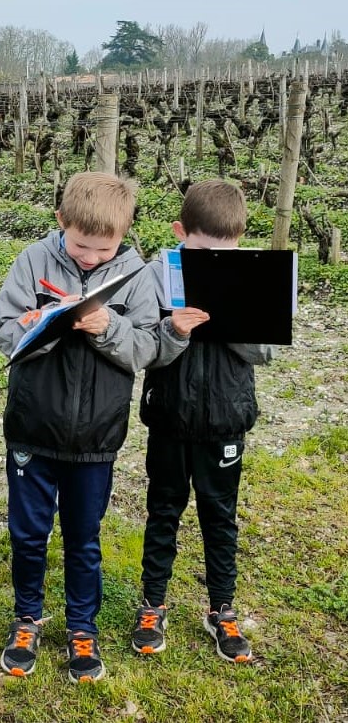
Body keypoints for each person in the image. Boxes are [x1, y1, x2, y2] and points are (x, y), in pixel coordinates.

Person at [0, 172, 206, 684]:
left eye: (102, 249)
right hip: (32, 428)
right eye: (81, 246)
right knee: (27, 534)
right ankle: (28, 618)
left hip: (97, 435)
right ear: (61, 222)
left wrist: (108, 328)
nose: (90, 258)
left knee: (84, 536)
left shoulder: (137, 275)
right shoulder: (31, 261)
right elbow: (2, 332)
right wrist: (39, 325)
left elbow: (151, 349)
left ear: (125, 233)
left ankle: (82, 628)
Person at [132, 179, 274, 663]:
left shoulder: (253, 275)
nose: (215, 261)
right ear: (180, 233)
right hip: (170, 417)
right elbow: (143, 343)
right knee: (163, 510)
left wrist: (228, 318)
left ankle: (222, 609)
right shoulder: (155, 273)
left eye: (225, 253)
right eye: (202, 252)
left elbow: (266, 350)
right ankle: (153, 604)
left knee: (220, 516)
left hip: (225, 420)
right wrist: (175, 328)